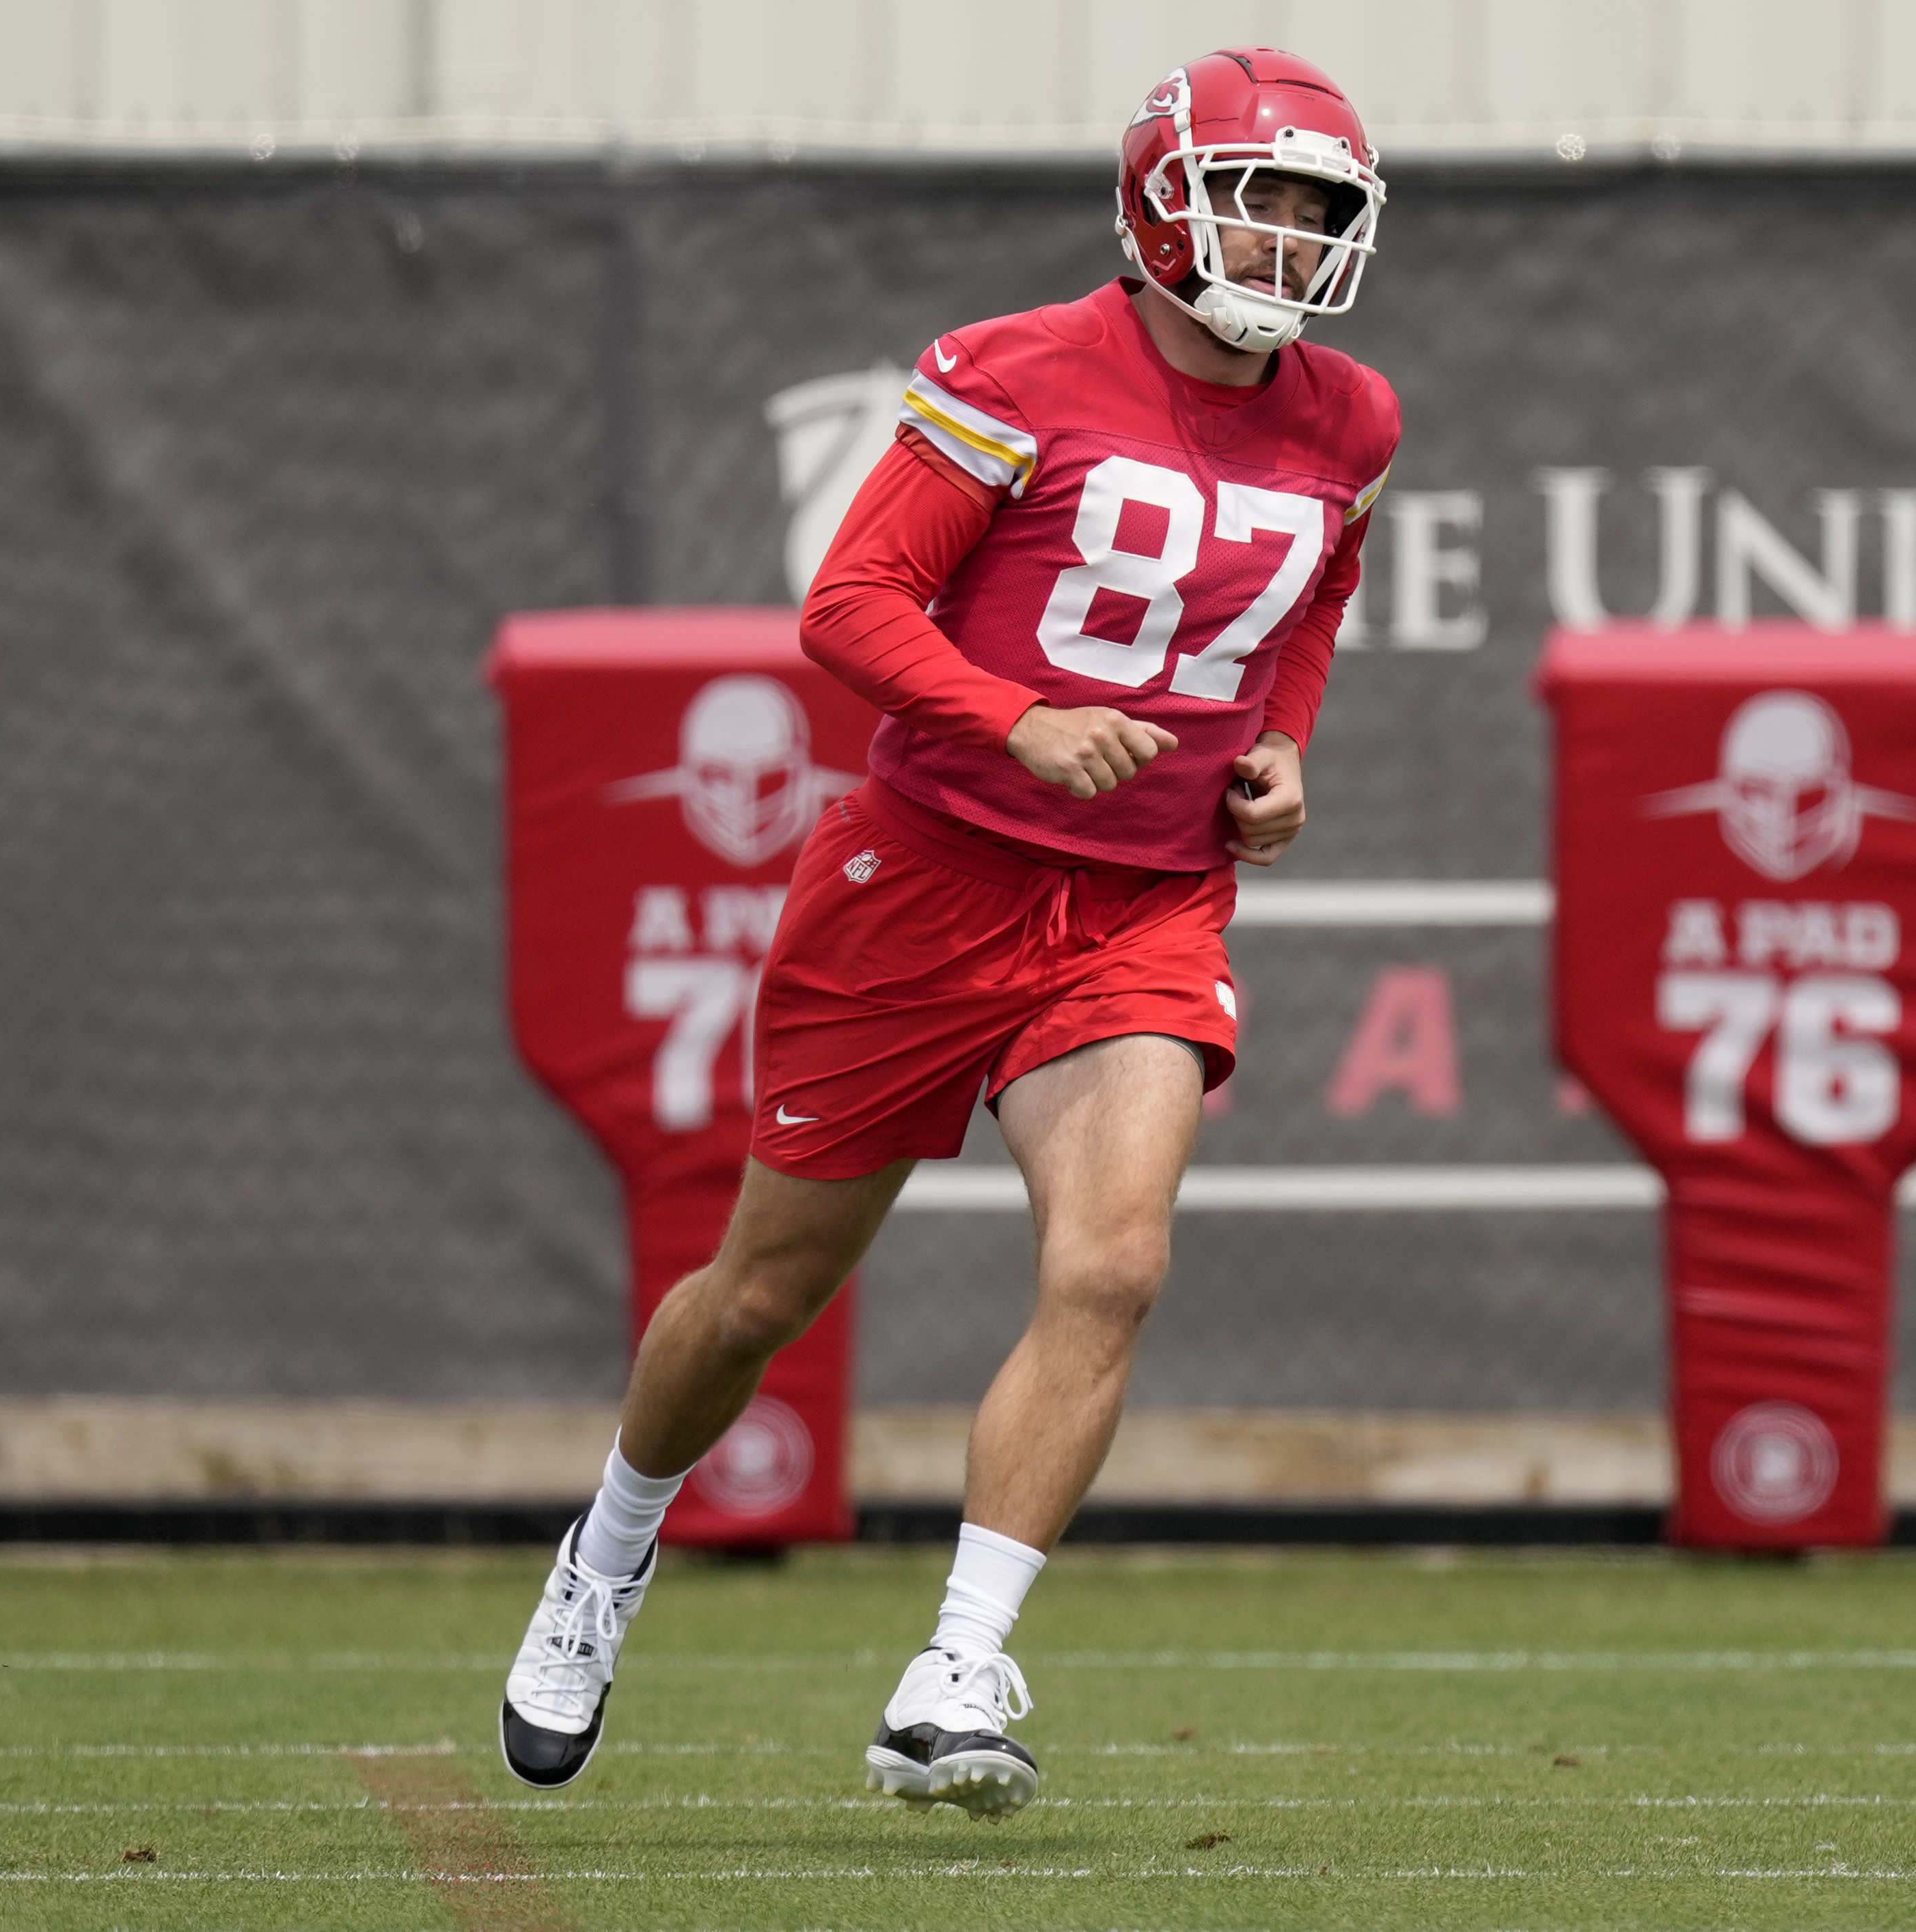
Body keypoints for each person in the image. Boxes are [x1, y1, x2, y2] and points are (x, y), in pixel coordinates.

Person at [501, 45, 1402, 1819]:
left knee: (1112, 1260)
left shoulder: (1349, 417)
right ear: (1159, 202)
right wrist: (1016, 718)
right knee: (760, 1292)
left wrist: (1284, 742)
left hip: (1139, 900)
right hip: (923, 878)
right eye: (1259, 199)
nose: (1289, 242)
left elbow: (1314, 594)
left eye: (1318, 212)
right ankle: (609, 1544)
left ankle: (957, 1665)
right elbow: (849, 603)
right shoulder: (1016, 370)